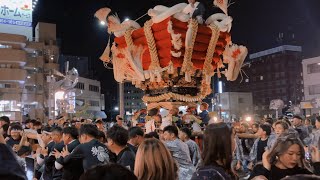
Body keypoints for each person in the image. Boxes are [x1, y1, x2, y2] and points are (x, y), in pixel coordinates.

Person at [249, 133, 320, 180]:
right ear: (279, 153)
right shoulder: (260, 169)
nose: (295, 158)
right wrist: (266, 169)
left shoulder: (301, 172)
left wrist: (317, 163)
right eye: (290, 154)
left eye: (298, 154)